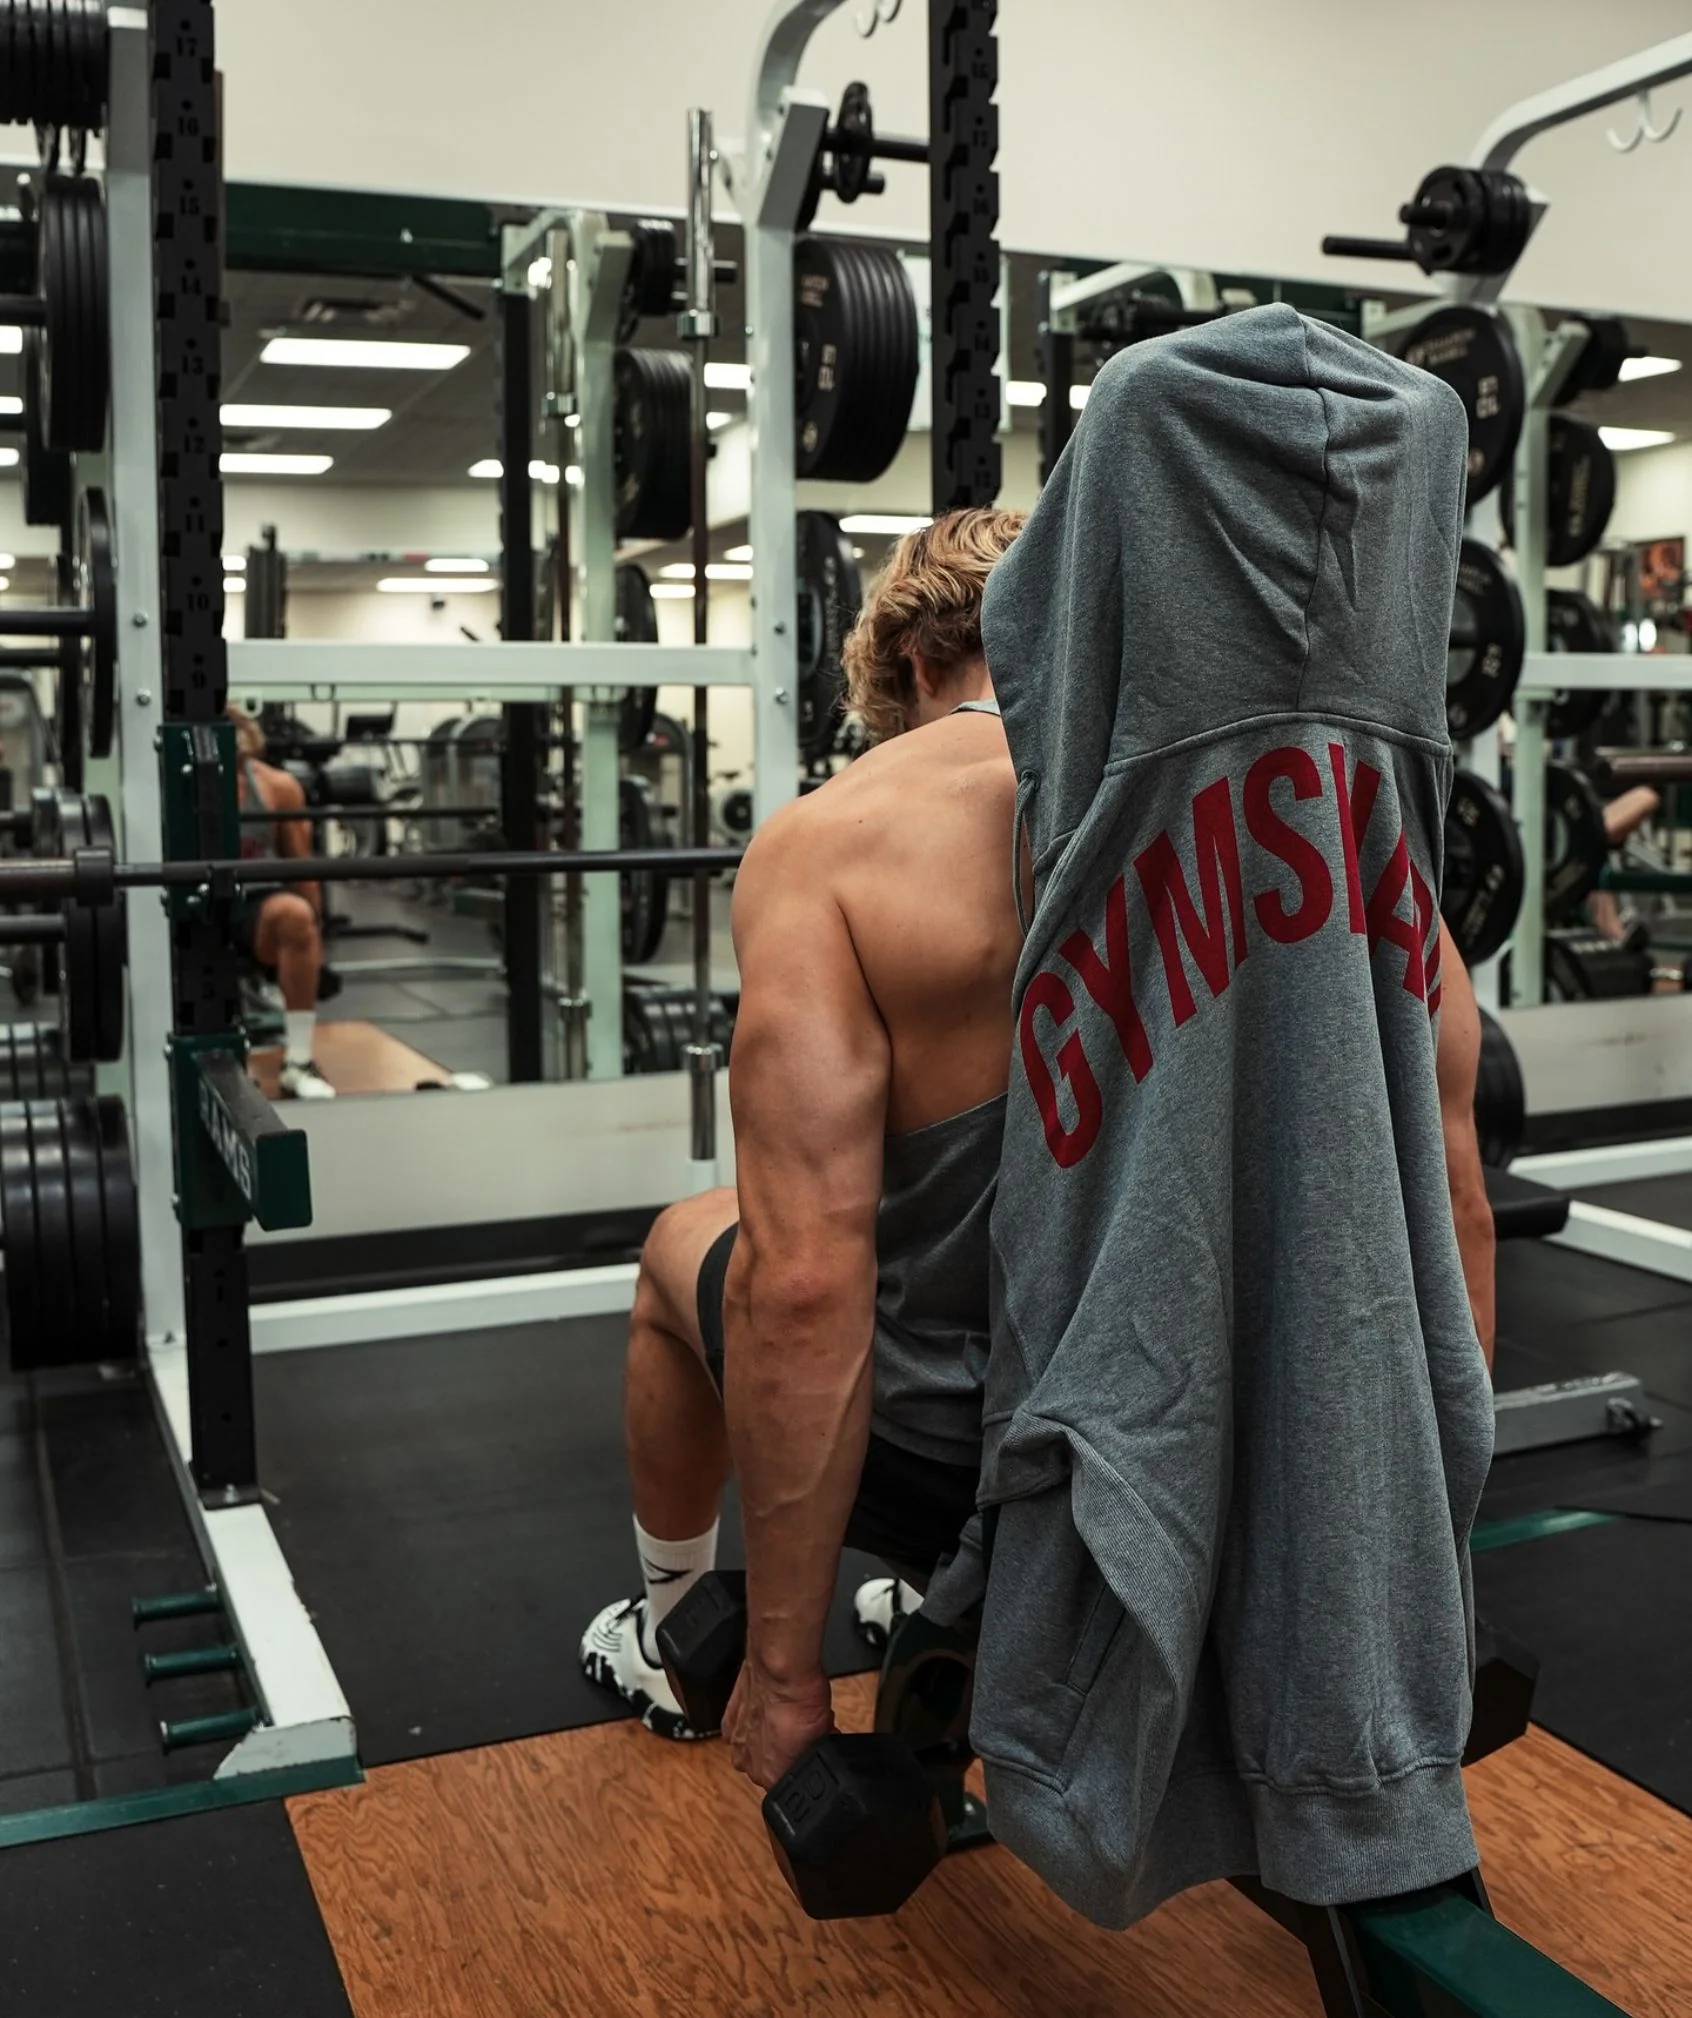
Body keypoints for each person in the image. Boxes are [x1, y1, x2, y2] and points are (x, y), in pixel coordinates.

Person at [579, 502, 1496, 1792]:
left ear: (912, 663)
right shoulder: (1306, 805)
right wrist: (1420, 1579)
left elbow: (803, 1285)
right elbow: (1451, 1202)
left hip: (974, 1467)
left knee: (690, 1239)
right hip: (1264, 1447)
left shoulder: (832, 844)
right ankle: (954, 1600)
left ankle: (676, 1637)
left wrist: (784, 1675)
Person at [227, 706, 336, 1100]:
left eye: (238, 733)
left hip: (256, 901)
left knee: (295, 916)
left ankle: (298, 1061)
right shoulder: (168, 787)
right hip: (189, 899)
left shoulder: (277, 786)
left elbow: (301, 867)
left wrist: (314, 937)